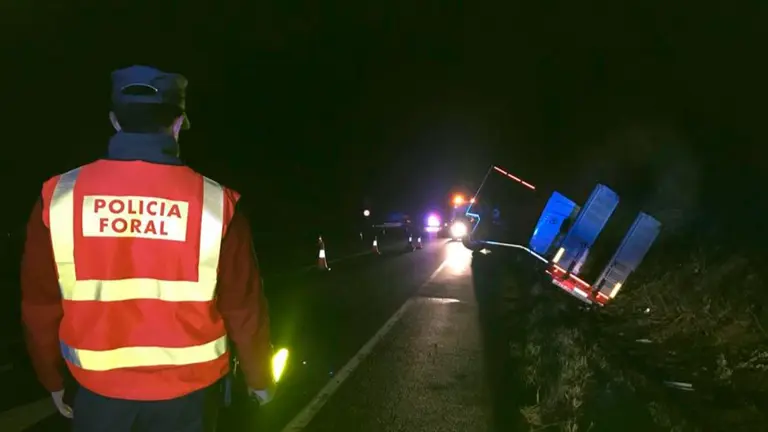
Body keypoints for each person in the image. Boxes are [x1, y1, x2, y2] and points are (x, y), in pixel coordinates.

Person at [21, 65, 275, 431]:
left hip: (97, 397)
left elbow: (39, 305)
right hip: (191, 401)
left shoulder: (60, 197)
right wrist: (258, 376)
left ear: (114, 121)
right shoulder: (216, 203)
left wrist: (52, 380)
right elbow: (244, 306)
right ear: (177, 124)